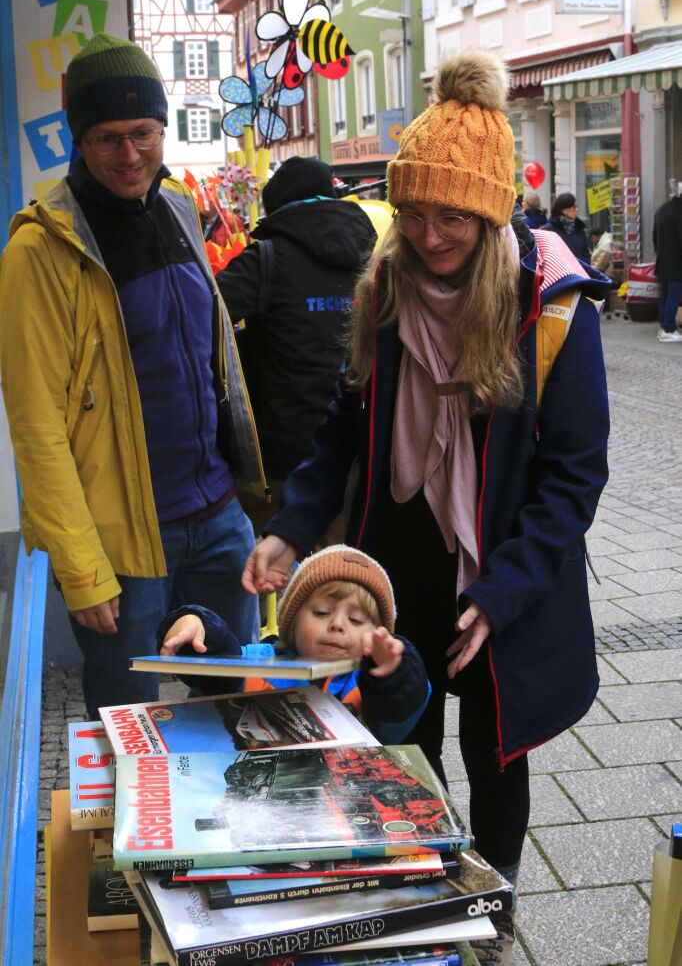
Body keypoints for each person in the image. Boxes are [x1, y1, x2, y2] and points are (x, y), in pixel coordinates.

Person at [241, 50, 611, 964]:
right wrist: (291, 526)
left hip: (502, 577)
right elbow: (340, 430)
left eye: (451, 213)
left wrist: (502, 592)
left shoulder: (552, 308)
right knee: (402, 735)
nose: (430, 232)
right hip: (398, 558)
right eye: (412, 212)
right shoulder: (386, 289)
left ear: (489, 210)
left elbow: (575, 475)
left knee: (498, 756)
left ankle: (492, 913)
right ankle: (429, 886)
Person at [0, 34, 266, 718]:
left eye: (143, 133)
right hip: (122, 542)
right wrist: (82, 569)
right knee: (130, 727)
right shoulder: (40, 248)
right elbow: (37, 425)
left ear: (163, 128)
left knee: (239, 709)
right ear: (78, 140)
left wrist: (248, 497)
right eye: (107, 137)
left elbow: (216, 364)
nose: (129, 155)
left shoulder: (178, 207)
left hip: (217, 517)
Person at [216, 156, 377, 534]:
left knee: (273, 572)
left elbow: (201, 318)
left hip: (278, 457)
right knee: (337, 577)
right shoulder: (375, 253)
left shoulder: (265, 258)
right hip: (358, 449)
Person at [158, 545, 430, 744]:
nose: (337, 624)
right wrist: (195, 623)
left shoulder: (368, 686)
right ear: (293, 620)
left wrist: (395, 670)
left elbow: (401, 708)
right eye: (322, 612)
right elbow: (216, 659)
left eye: (357, 619)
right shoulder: (260, 666)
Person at [653, 192, 682, 342]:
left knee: (665, 294)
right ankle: (668, 328)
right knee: (673, 294)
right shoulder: (679, 212)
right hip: (677, 261)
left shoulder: (662, 209)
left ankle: (664, 327)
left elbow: (654, 236)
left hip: (663, 260)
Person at [542, 192, 591, 262]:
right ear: (564, 210)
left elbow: (586, 254)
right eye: (574, 207)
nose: (576, 210)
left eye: (576, 207)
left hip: (579, 271)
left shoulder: (579, 228)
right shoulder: (548, 230)